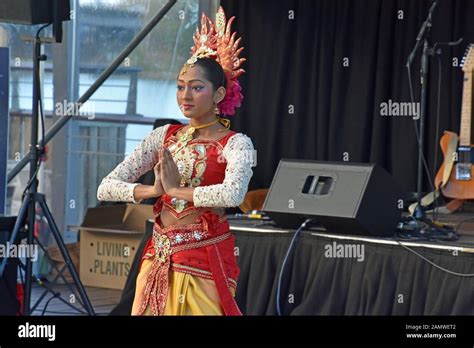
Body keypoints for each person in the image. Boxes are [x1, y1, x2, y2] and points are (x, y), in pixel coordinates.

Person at [97, 6, 254, 316]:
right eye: (181, 87)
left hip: (204, 258)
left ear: (219, 94)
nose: (186, 96)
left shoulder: (237, 144)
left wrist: (176, 189)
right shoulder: (162, 136)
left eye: (197, 88)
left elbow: (233, 195)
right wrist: (153, 192)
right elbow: (106, 187)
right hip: (158, 255)